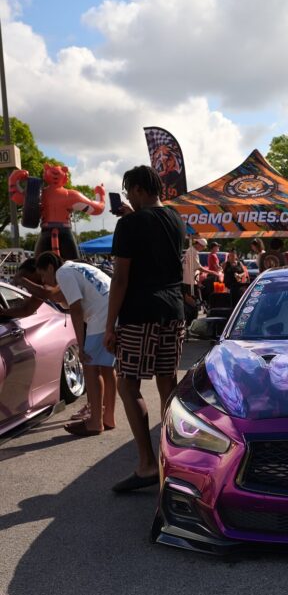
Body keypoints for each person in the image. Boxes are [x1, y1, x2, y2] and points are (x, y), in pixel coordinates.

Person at [105, 165, 186, 493]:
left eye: (129, 193)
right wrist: (130, 217)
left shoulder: (130, 224)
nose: (128, 199)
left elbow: (121, 278)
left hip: (140, 313)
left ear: (137, 189)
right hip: (173, 310)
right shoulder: (176, 219)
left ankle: (147, 465)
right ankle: (173, 461)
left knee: (127, 385)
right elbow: (154, 238)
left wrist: (109, 325)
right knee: (168, 383)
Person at [35, 252, 117, 436]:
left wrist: (80, 345)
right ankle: (108, 417)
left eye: (42, 274)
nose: (44, 280)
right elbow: (66, 300)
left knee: (89, 365)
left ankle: (95, 422)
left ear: (49, 267)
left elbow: (76, 310)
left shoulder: (62, 273)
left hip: (101, 316)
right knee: (106, 367)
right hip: (113, 311)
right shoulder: (74, 266)